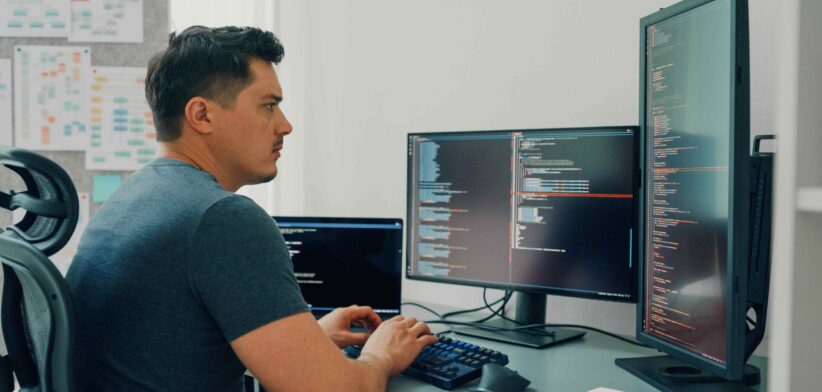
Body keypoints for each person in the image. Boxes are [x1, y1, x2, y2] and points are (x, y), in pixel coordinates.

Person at [66, 25, 437, 391]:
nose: (285, 125)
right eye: (269, 106)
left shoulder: (135, 196)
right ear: (202, 115)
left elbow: (166, 347)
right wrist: (381, 355)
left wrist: (304, 338)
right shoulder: (222, 218)